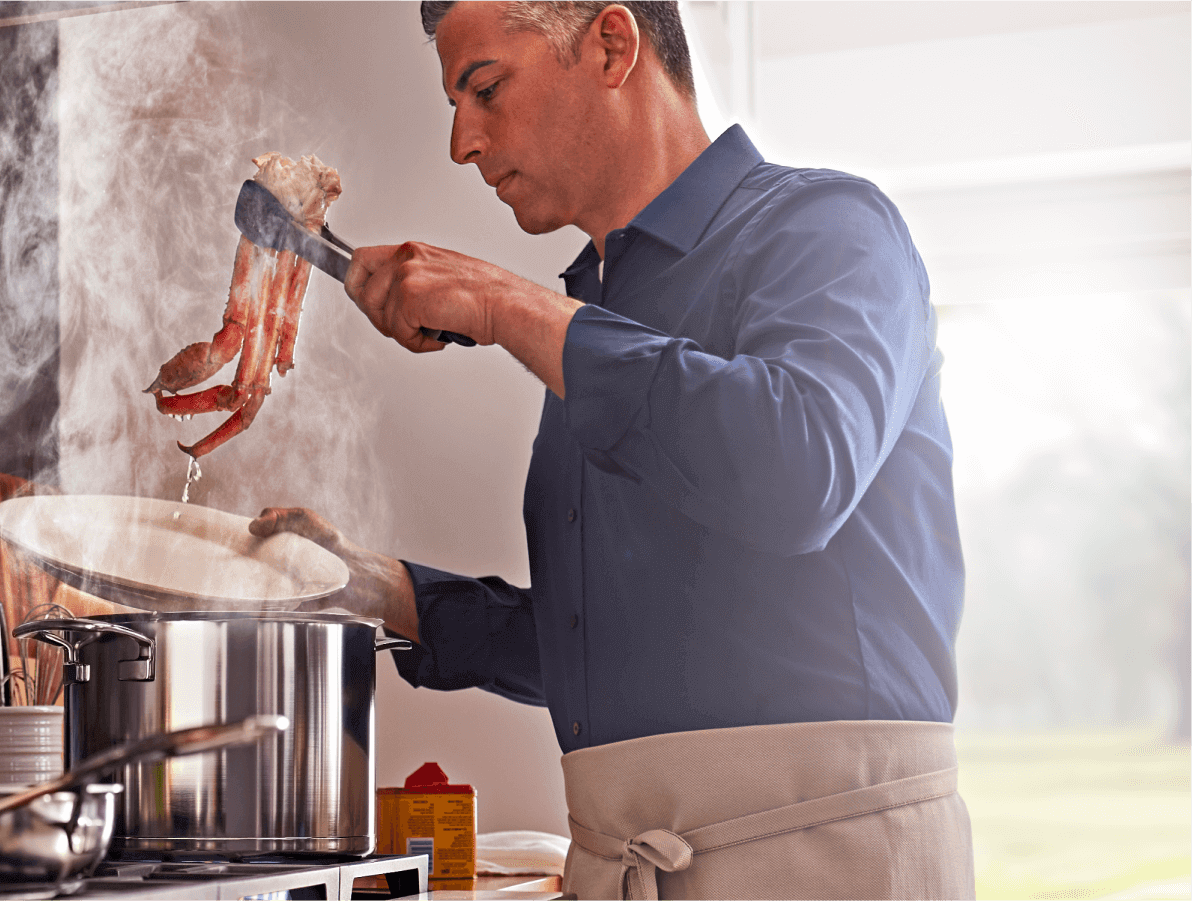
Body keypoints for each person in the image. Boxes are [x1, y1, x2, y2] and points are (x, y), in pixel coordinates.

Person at [251, 1, 973, 897]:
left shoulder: (830, 229)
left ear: (610, 45)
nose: (460, 143)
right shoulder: (599, 307)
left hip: (822, 857)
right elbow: (609, 645)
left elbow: (796, 470)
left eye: (484, 89)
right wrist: (374, 586)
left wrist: (510, 306)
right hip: (621, 861)